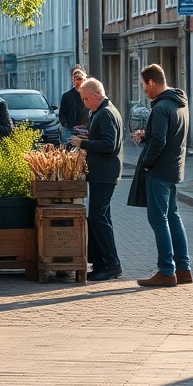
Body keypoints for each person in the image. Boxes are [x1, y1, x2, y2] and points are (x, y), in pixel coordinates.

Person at [131, 63, 191, 288]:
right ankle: (183, 268)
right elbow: (168, 134)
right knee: (173, 217)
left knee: (159, 219)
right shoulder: (179, 103)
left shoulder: (160, 107)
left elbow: (160, 141)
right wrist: (148, 134)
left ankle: (167, 270)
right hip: (174, 168)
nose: (144, 90)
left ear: (152, 82)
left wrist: (146, 164)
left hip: (159, 170)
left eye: (144, 86)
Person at [70, 77, 123, 281]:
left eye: (85, 99)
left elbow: (108, 144)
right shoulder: (104, 111)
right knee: (101, 218)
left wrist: (82, 144)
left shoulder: (106, 113)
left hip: (104, 174)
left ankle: (111, 264)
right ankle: (101, 263)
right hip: (103, 174)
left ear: (96, 95)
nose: (84, 103)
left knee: (98, 218)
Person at [58, 67, 90, 145]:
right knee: (69, 151)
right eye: (77, 80)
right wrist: (64, 123)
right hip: (70, 128)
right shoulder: (67, 96)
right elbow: (62, 113)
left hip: (85, 128)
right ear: (73, 80)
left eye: (81, 80)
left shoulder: (89, 94)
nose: (79, 83)